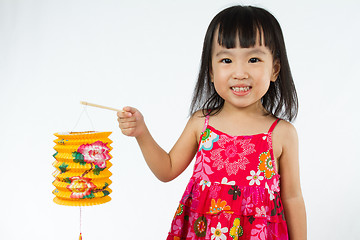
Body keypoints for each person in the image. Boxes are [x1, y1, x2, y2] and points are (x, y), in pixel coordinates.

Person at [118, 5, 306, 240]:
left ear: (275, 69)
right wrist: (141, 132)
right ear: (210, 70)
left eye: (254, 59)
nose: (239, 72)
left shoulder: (282, 133)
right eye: (226, 60)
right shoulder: (201, 123)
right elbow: (166, 170)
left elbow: (292, 197)